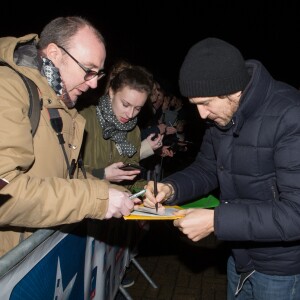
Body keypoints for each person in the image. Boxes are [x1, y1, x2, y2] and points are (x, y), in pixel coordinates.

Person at [143, 37, 300, 300]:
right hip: (239, 254)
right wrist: (170, 188)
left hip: (281, 271)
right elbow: (207, 168)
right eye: (195, 105)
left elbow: (296, 214)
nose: (202, 115)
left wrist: (216, 221)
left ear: (232, 90)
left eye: (205, 103)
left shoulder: (291, 115)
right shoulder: (222, 114)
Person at [0, 16, 135, 257]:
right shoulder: (7, 89)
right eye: (88, 71)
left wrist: (117, 193)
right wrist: (98, 199)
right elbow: (4, 194)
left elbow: (66, 175)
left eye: (98, 74)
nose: (94, 84)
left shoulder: (60, 103)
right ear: (54, 53)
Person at [79, 60, 156, 191]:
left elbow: (129, 182)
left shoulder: (134, 131)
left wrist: (147, 188)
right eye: (125, 105)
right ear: (111, 92)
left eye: (138, 108)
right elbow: (65, 174)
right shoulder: (83, 119)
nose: (130, 114)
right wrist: (102, 174)